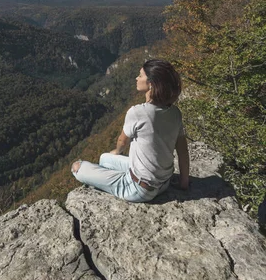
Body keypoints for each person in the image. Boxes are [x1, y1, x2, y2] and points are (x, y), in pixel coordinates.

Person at [71, 59, 190, 202]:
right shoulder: (175, 113)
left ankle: (108, 178)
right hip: (164, 184)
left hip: (139, 189)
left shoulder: (138, 112)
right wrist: (184, 182)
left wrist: (118, 151)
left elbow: (122, 140)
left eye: (140, 76)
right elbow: (183, 150)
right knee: (104, 159)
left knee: (78, 167)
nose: (136, 78)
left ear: (151, 84)